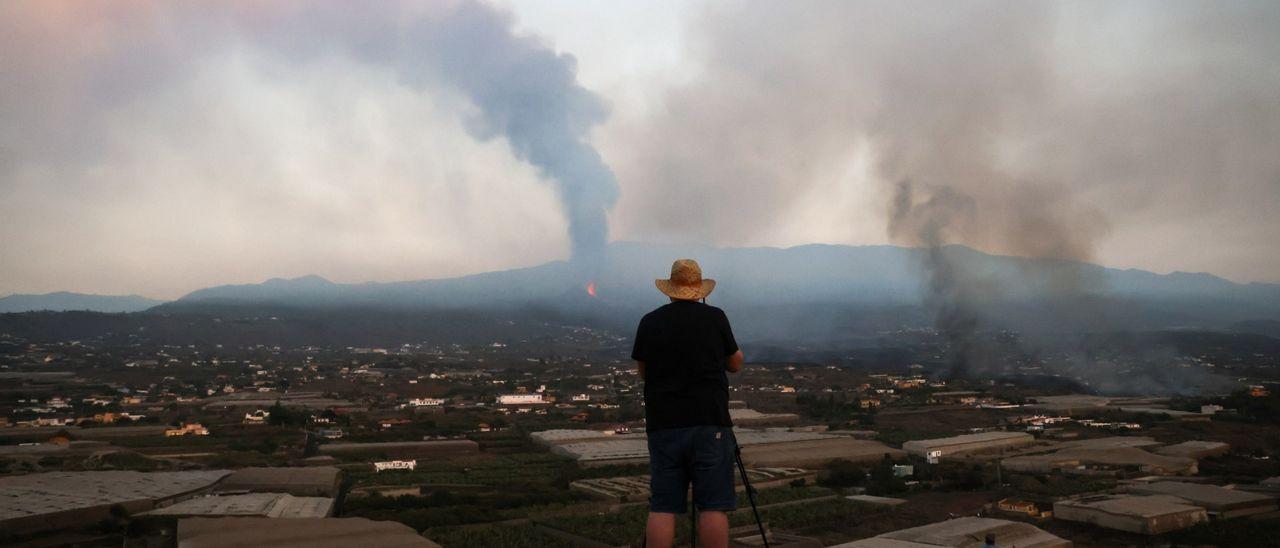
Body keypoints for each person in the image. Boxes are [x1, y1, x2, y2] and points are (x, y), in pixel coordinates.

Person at [632, 259, 745, 548]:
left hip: (663, 424)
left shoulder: (649, 321)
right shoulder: (715, 317)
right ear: (699, 290)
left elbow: (643, 371)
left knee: (663, 506)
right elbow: (735, 362)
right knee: (713, 506)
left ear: (669, 290)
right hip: (710, 422)